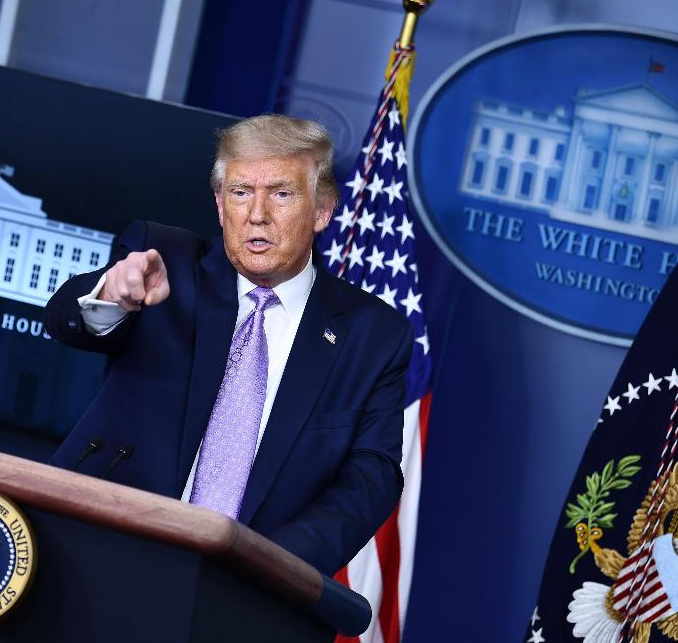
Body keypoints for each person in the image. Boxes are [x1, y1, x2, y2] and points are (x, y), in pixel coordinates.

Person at [43, 114, 412, 575]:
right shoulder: (167, 266)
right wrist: (110, 297)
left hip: (247, 586)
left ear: (322, 210)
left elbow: (371, 477)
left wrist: (268, 565)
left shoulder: (372, 334)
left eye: (281, 193)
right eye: (240, 193)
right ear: (220, 205)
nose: (257, 214)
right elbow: (64, 320)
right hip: (102, 549)